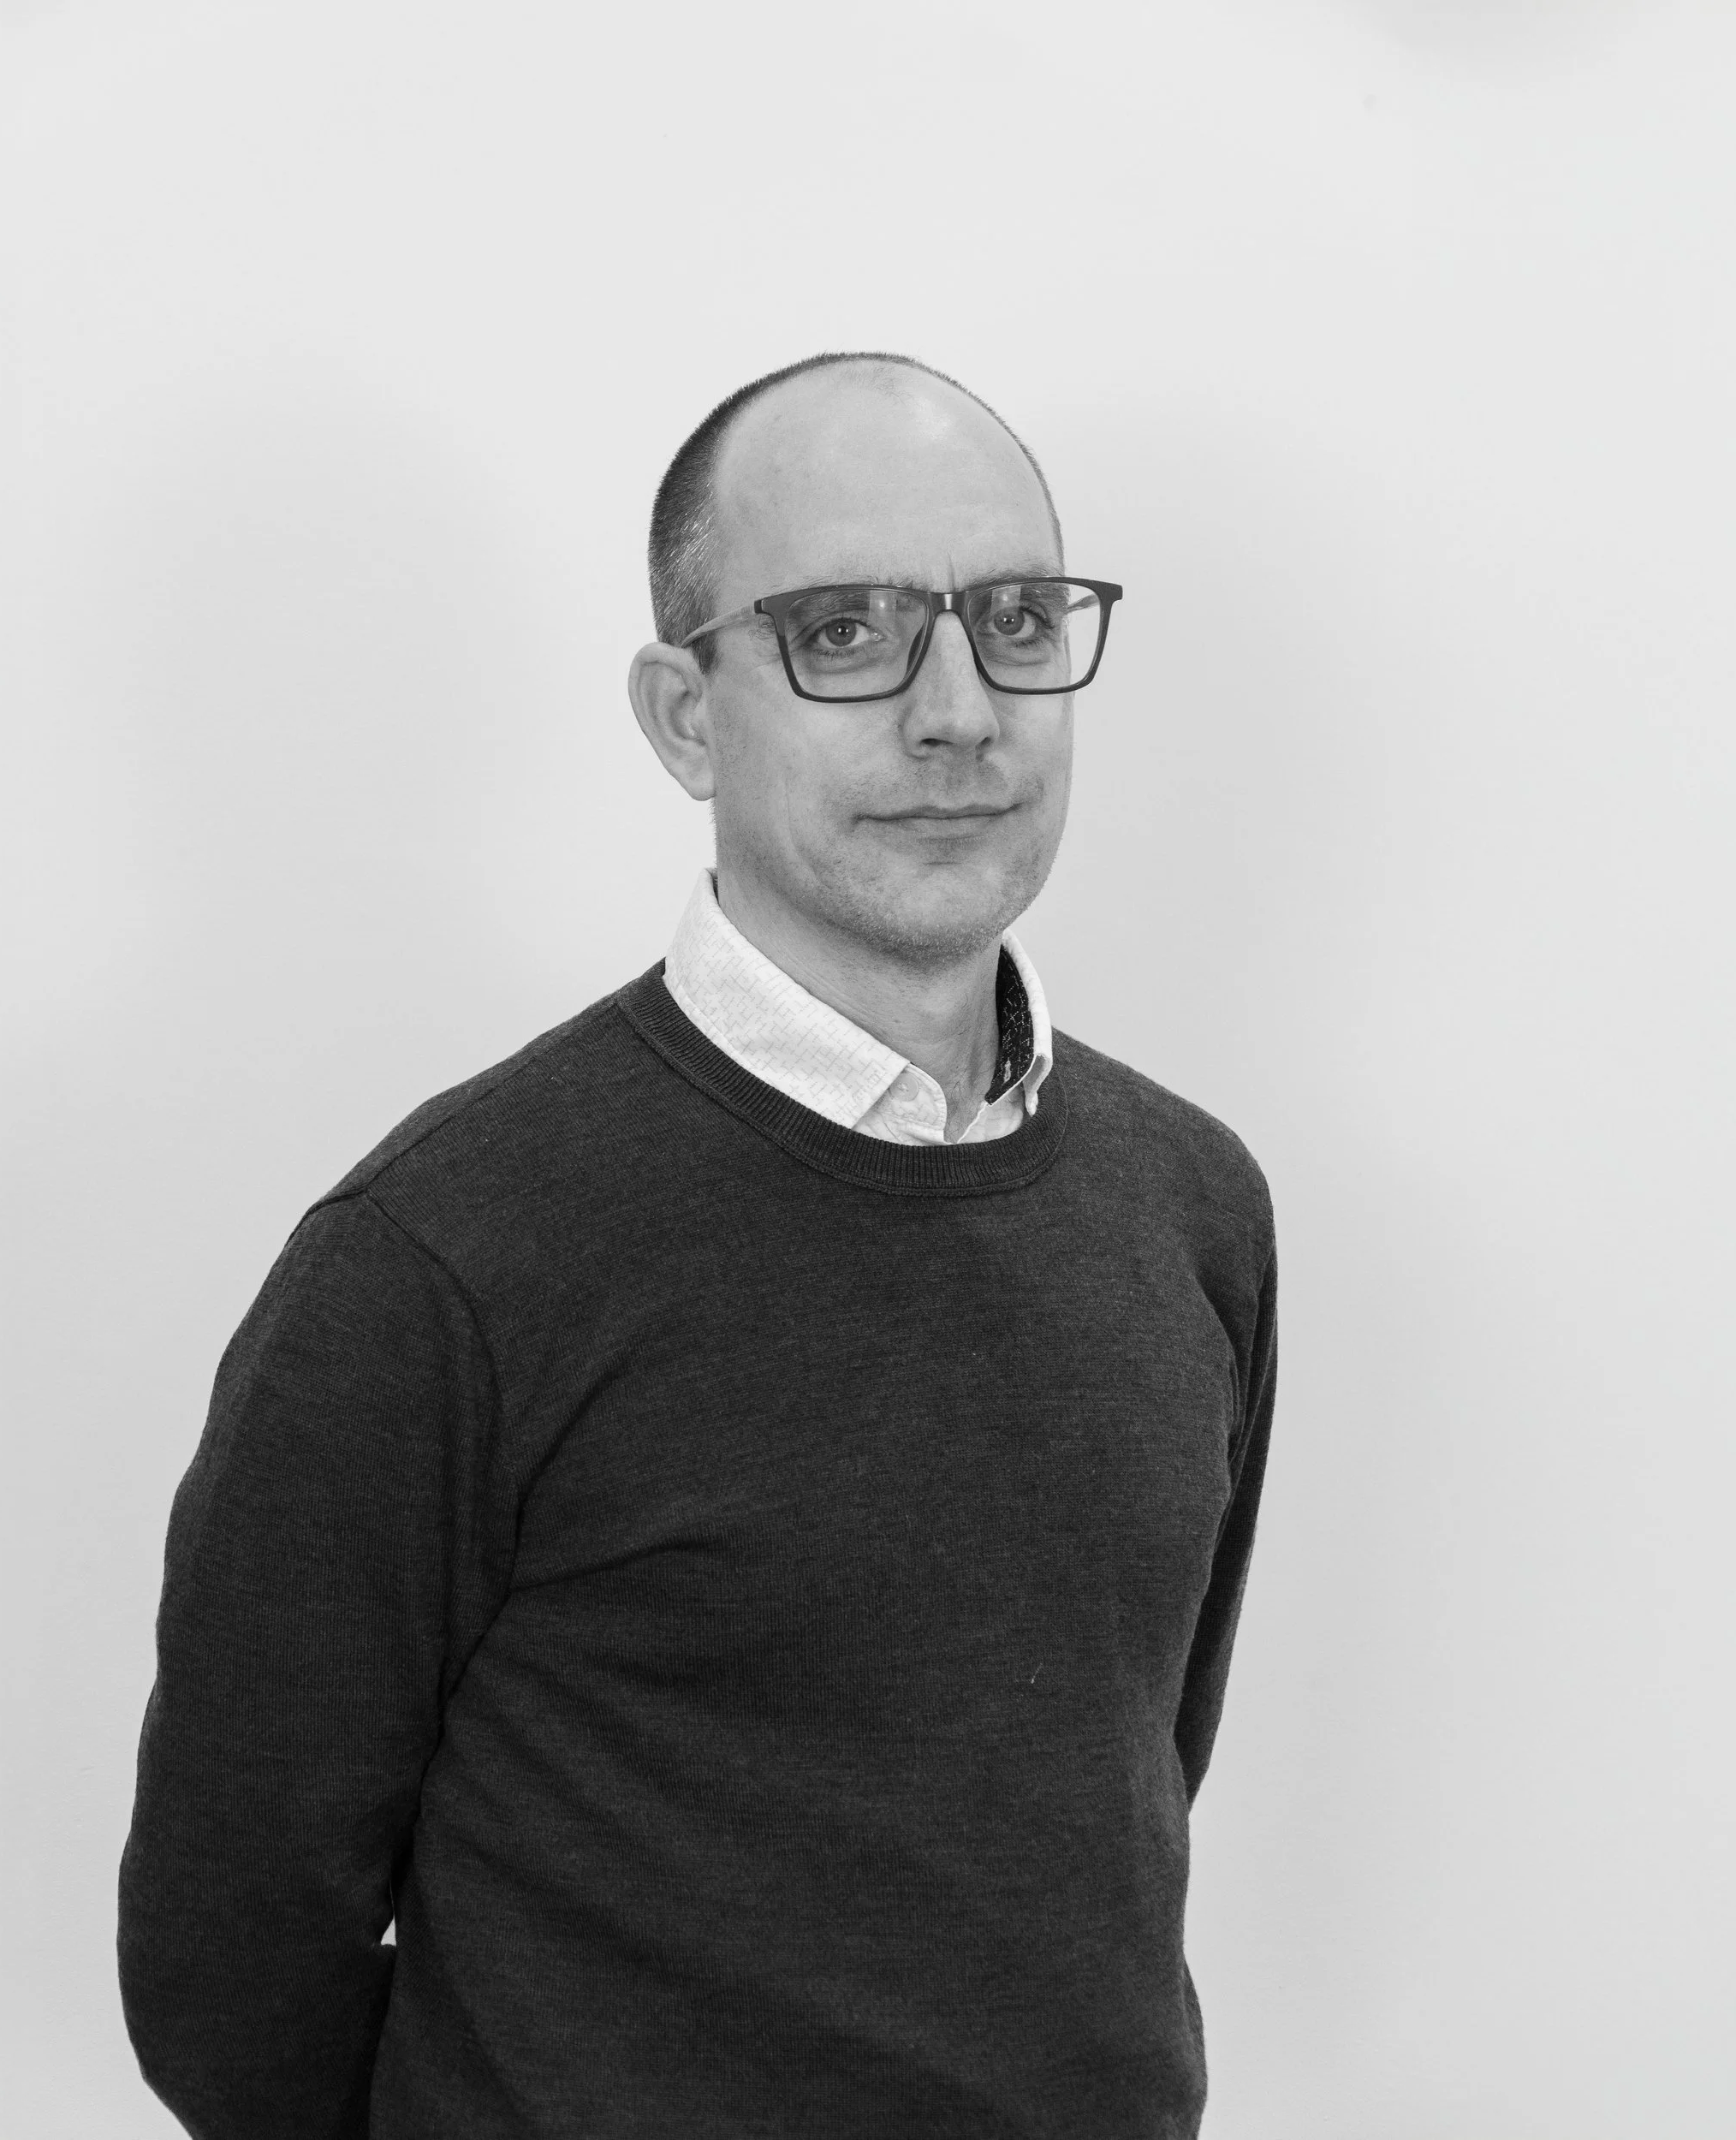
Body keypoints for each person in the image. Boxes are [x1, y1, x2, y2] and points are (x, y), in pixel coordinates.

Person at [118, 351, 1279, 2138]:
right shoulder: (442, 1258)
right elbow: (228, 1954)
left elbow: (1119, 1795)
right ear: (682, 718)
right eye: (845, 633)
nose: (959, 712)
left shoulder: (1189, 1206)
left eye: (1015, 621)